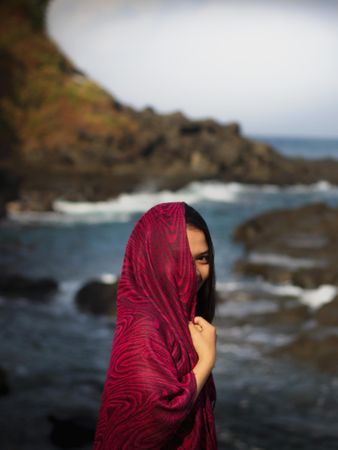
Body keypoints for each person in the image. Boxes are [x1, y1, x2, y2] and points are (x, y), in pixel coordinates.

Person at [93, 202, 217, 449]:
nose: (192, 272)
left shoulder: (173, 317)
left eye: (202, 258)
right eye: (179, 258)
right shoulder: (145, 326)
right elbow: (148, 420)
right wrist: (206, 362)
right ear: (153, 259)